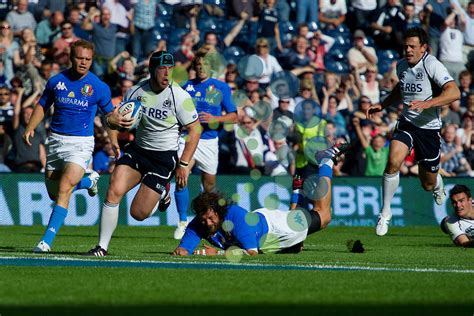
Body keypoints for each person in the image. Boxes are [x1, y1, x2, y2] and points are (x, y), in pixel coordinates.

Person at [86, 51, 202, 256]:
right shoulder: (135, 91)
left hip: (163, 158)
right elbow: (113, 119)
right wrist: (113, 135)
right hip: (138, 151)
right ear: (151, 70)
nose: (167, 73)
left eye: (171, 69)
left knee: (138, 214)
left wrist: (183, 164)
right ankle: (102, 247)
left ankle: (164, 191)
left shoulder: (180, 97)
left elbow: (195, 129)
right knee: (113, 189)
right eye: (162, 68)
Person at [25, 40, 132, 253]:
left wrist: (114, 140)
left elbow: (109, 117)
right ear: (70, 57)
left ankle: (45, 242)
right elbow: (42, 105)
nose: (83, 63)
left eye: (88, 59)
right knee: (54, 193)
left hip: (81, 144)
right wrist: (30, 127)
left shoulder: (99, 87)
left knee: (65, 188)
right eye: (80, 58)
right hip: (55, 141)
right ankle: (88, 180)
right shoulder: (56, 81)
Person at [171, 142, 351, 256]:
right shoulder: (201, 221)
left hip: (278, 229)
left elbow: (251, 252)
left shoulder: (236, 217)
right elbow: (184, 249)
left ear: (220, 212)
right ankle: (295, 240)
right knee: (297, 244)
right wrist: (182, 250)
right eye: (204, 219)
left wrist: (214, 253)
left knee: (324, 215)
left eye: (211, 218)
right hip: (264, 227)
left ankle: (326, 161)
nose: (207, 223)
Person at [366, 27, 461, 236]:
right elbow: (401, 89)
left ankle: (437, 184)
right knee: (393, 161)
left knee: (427, 184)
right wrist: (382, 105)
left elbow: (454, 92)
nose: (408, 50)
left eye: (412, 46)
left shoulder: (432, 64)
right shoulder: (401, 66)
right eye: (406, 46)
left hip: (429, 130)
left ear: (423, 48)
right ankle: (385, 212)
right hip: (407, 123)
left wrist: (429, 104)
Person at [174, 51, 238, 240]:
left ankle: (208, 222)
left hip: (209, 140)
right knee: (181, 175)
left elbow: (234, 116)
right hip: (188, 138)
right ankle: (182, 221)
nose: (201, 68)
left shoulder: (221, 88)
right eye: (198, 64)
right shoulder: (186, 88)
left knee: (209, 187)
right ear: (194, 67)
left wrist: (216, 118)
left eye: (205, 65)